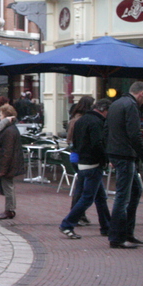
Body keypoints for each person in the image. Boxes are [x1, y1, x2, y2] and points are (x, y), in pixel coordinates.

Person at [105, 81, 143, 249]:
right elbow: (134, 135)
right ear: (141, 94)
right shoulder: (131, 106)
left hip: (117, 153)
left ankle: (127, 233)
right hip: (125, 155)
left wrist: (109, 154)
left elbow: (107, 130)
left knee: (134, 191)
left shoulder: (116, 104)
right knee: (123, 196)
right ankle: (118, 237)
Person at [59, 99, 112, 239]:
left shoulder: (81, 120)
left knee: (100, 197)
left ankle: (107, 226)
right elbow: (97, 144)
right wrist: (108, 158)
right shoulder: (96, 122)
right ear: (103, 110)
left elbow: (75, 141)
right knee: (88, 198)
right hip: (93, 163)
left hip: (82, 161)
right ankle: (67, 224)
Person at [0, 104, 25, 220]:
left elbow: (7, 151)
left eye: (1, 114)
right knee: (8, 186)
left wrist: (2, 169)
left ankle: (9, 209)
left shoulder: (9, 131)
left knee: (8, 186)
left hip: (8, 164)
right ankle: (10, 209)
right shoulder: (11, 129)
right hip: (10, 163)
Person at [66, 95, 95, 226]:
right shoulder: (81, 120)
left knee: (82, 186)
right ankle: (76, 214)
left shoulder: (74, 118)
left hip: (75, 155)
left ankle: (79, 214)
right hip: (80, 156)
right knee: (82, 187)